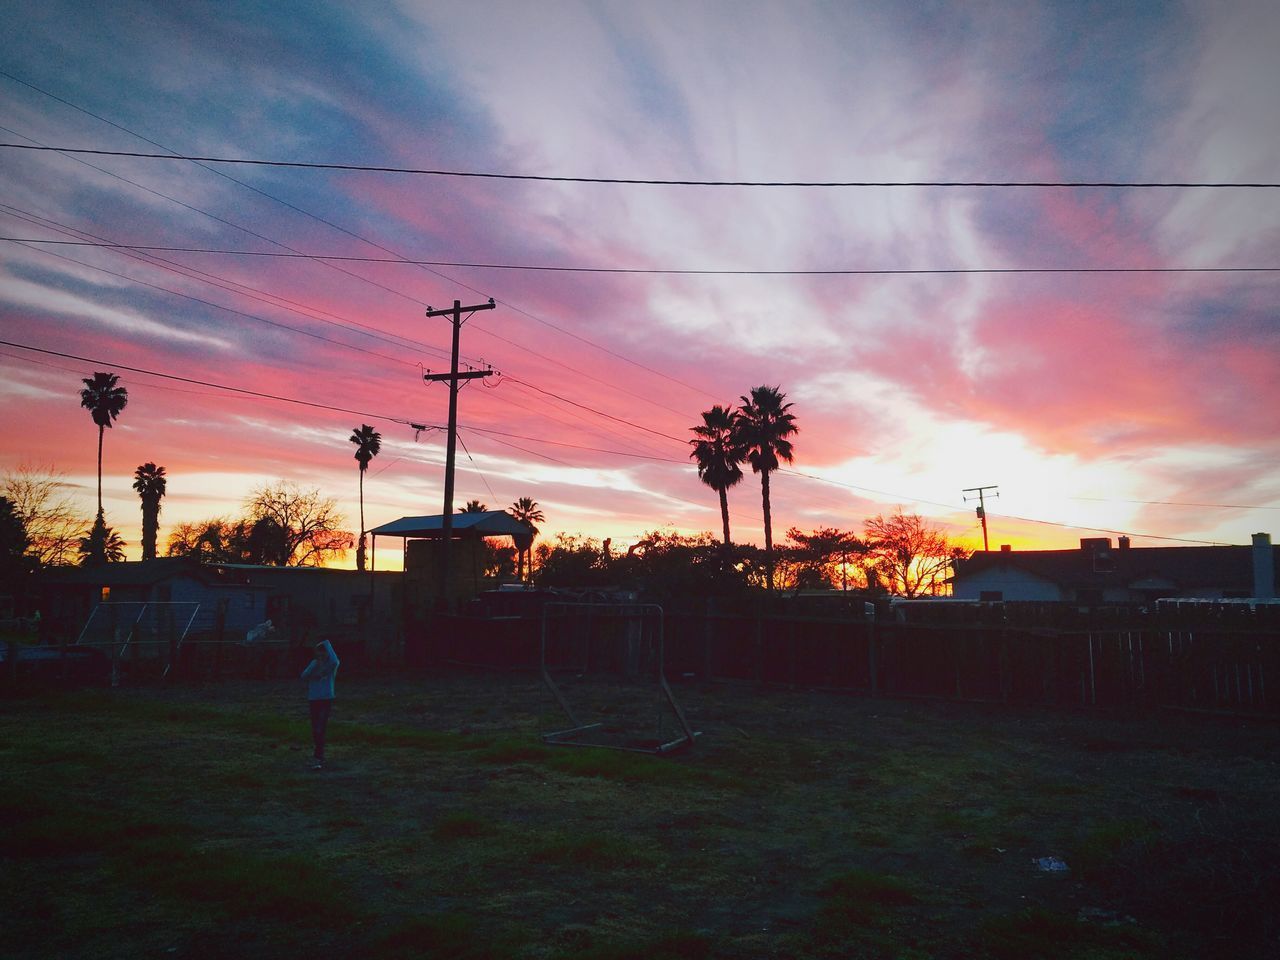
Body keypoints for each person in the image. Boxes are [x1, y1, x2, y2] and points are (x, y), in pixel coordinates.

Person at [301, 639, 339, 770]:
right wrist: (315, 668)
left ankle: (318, 755)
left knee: (320, 727)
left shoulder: (331, 665)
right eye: (319, 654)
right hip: (314, 698)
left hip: (326, 698)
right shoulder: (314, 664)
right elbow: (303, 676)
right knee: (316, 727)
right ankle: (318, 754)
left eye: (324, 654)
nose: (321, 656)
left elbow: (335, 660)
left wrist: (326, 643)